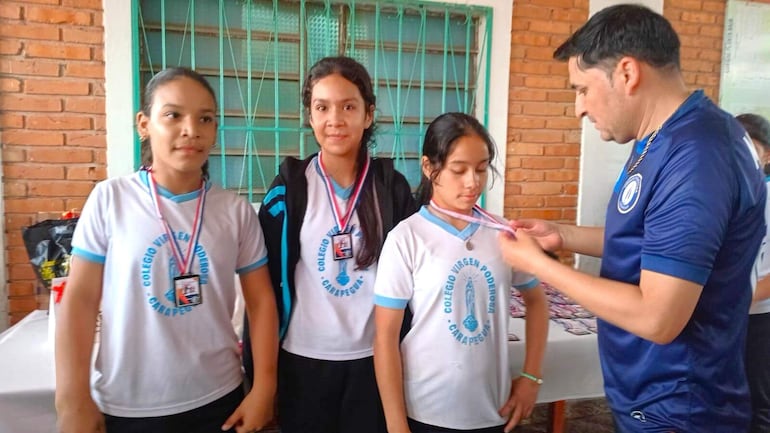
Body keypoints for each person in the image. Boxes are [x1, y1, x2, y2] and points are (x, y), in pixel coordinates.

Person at [496, 5, 765, 432]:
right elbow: (653, 242)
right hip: (649, 399)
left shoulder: (697, 155)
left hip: (680, 409)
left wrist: (539, 267)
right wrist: (561, 235)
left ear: (626, 72)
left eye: (582, 89)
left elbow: (657, 319)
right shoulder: (657, 142)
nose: (578, 108)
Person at [54, 67, 278, 433]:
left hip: (219, 400)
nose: (191, 130)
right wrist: (71, 398)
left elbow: (262, 302)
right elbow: (79, 300)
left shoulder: (234, 211)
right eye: (173, 115)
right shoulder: (111, 200)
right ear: (143, 124)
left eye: (205, 118)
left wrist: (264, 387)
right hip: (128, 405)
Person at [240, 56, 417, 433]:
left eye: (348, 106)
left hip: (375, 361)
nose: (334, 119)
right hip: (302, 363)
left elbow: (416, 276)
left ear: (368, 114)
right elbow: (264, 287)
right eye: (322, 107)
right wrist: (259, 376)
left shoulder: (391, 188)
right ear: (309, 115)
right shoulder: (288, 189)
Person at [373, 112, 549, 433]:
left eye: (481, 169)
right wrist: (396, 423)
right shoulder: (406, 238)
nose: (473, 182)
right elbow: (384, 337)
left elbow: (537, 301)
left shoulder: (503, 234)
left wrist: (531, 377)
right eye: (459, 170)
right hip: (425, 412)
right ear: (429, 168)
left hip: (492, 410)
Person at [738, 113, 770, 433]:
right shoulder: (736, 194)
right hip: (732, 314)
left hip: (760, 316)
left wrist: (731, 303)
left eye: (751, 145)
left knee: (758, 397)